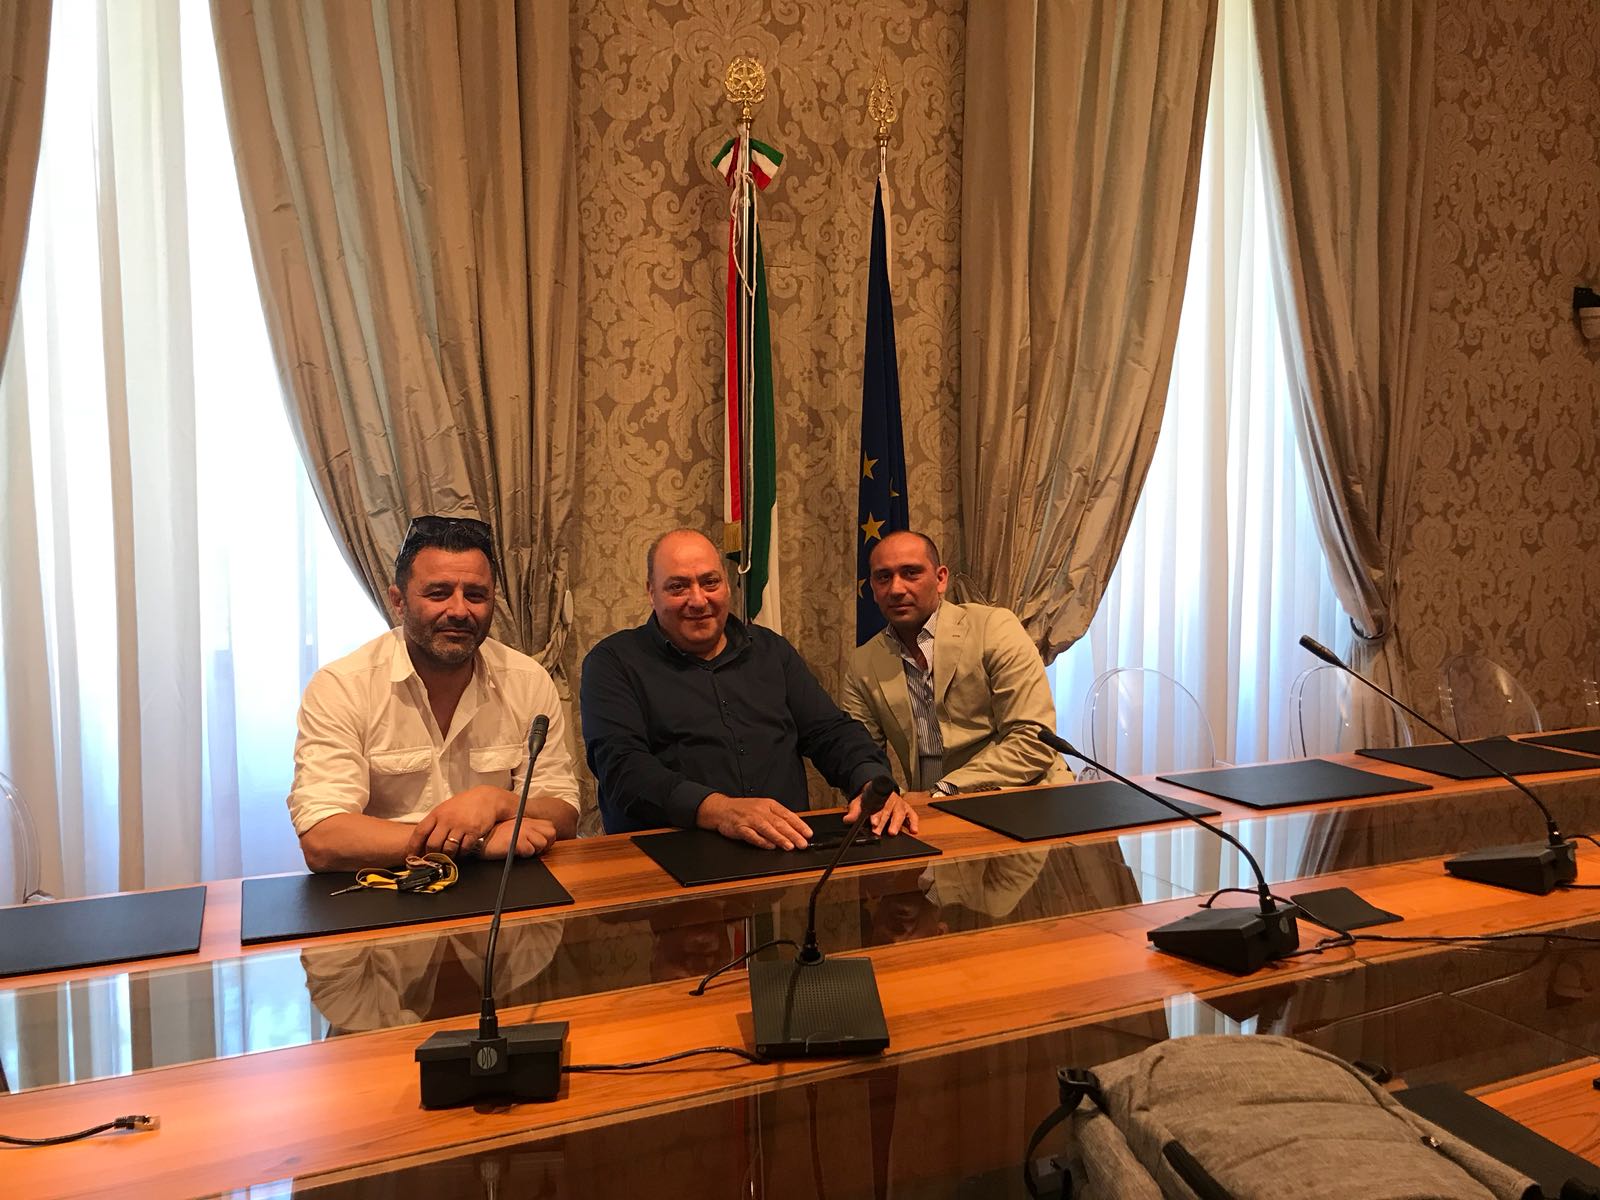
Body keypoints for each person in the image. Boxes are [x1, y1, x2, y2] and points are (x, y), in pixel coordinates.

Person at [580, 529, 914, 848]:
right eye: (678, 587)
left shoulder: (771, 650)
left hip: (785, 849)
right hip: (667, 857)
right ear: (651, 592)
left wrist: (869, 781)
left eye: (710, 582)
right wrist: (720, 810)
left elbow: (830, 732)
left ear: (727, 585)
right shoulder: (613, 662)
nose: (698, 600)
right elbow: (623, 770)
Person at [287, 515, 579, 872]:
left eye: (475, 595)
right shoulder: (341, 686)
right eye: (438, 593)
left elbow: (564, 815)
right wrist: (473, 843)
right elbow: (322, 840)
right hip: (385, 885)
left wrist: (498, 802)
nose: (459, 610)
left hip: (504, 885)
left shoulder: (528, 680)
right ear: (398, 602)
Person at [843, 530, 1069, 797]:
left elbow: (1033, 740)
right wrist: (888, 798)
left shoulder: (994, 628)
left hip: (1022, 795)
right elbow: (860, 756)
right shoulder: (863, 663)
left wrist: (941, 791)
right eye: (883, 577)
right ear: (873, 588)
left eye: (911, 573)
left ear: (940, 579)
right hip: (927, 809)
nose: (896, 589)